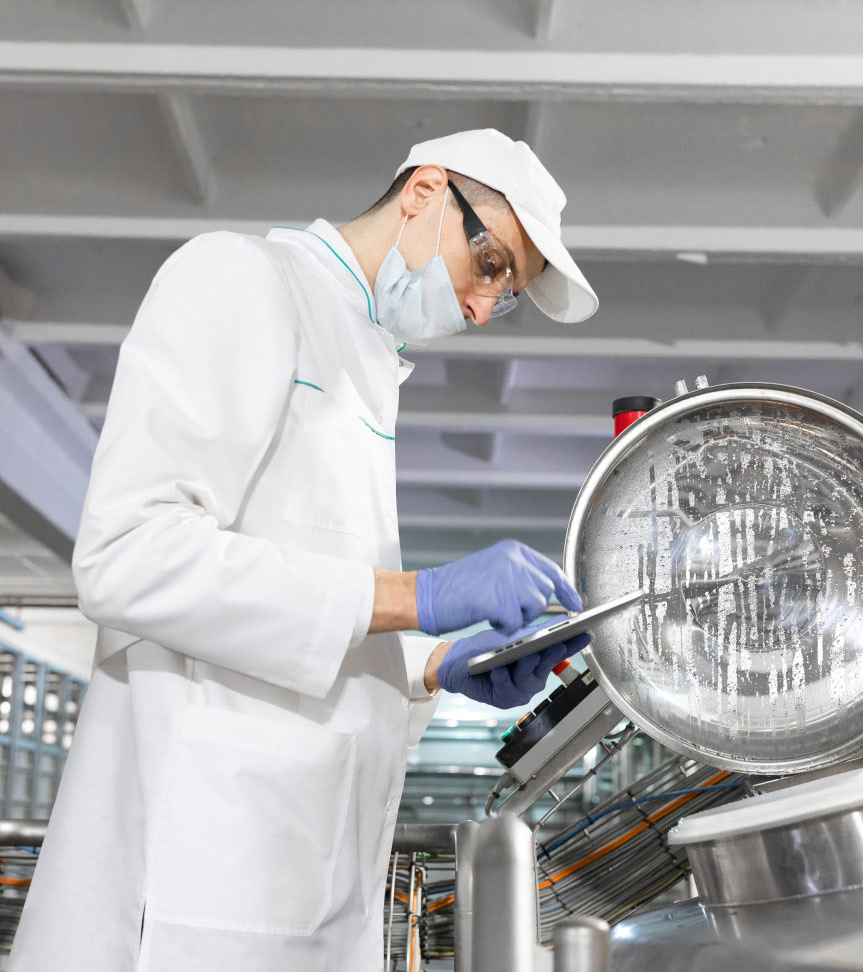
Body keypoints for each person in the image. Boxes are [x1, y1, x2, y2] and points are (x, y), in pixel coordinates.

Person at [9, 129, 599, 971]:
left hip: (289, 877)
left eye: (503, 295)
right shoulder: (243, 278)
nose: (479, 308)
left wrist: (430, 664)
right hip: (191, 889)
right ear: (425, 192)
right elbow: (127, 557)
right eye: (492, 264)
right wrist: (418, 596)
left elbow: (290, 611)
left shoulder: (364, 358)